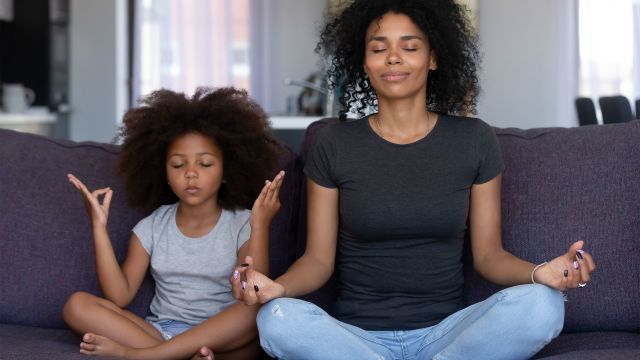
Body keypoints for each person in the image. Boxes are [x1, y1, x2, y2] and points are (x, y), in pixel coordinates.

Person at [229, 1, 597, 359]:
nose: (393, 57)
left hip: (448, 333)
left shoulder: (473, 140)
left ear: (433, 58)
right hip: (355, 338)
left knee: (544, 304)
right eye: (378, 48)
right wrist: (279, 288)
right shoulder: (334, 143)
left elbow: (489, 256)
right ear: (364, 62)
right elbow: (317, 261)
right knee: (277, 318)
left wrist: (541, 273)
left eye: (410, 46)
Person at [62, 87, 287, 359]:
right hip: (161, 332)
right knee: (76, 305)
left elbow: (251, 289)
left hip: (222, 337)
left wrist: (260, 225)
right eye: (178, 165)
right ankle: (179, 355)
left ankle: (140, 356)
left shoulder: (241, 223)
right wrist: (98, 227)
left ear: (226, 172)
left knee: (255, 310)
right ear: (164, 173)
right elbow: (119, 296)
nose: (191, 174)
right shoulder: (152, 227)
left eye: (204, 164)